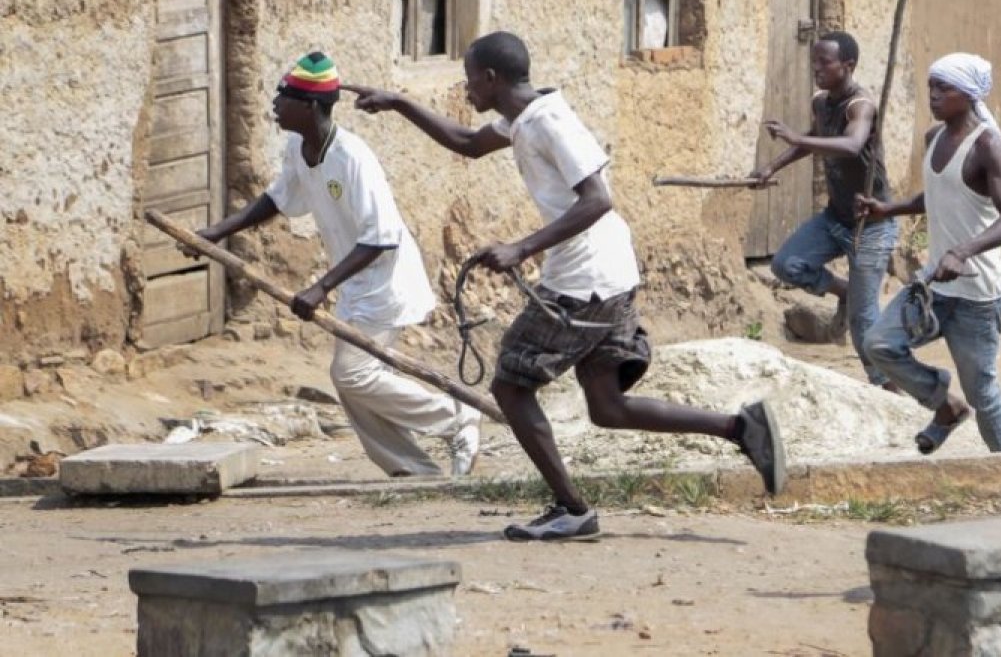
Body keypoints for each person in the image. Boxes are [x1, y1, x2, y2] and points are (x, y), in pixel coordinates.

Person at [346, 31, 787, 541]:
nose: (465, 90)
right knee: (607, 406)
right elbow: (466, 144)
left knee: (511, 387)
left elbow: (597, 198)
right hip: (605, 274)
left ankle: (571, 507)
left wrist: (522, 248)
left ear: (491, 78)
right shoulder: (521, 119)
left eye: (469, 80)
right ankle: (740, 428)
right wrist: (399, 102)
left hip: (587, 280)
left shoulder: (550, 121)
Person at [192, 52, 480, 478]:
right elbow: (277, 199)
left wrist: (320, 287)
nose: (274, 103)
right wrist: (218, 231)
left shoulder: (351, 157)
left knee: (353, 375)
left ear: (309, 106)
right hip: (356, 285)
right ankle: (413, 470)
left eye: (283, 96)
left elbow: (381, 239)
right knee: (354, 385)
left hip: (384, 283)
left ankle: (456, 419)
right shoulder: (298, 147)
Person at [856, 53, 1001, 453]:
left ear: (968, 95)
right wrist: (890, 208)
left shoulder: (987, 145)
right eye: (931, 86)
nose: (933, 95)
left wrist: (964, 251)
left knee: (982, 391)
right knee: (879, 344)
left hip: (977, 295)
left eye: (944, 88)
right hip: (935, 286)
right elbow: (938, 195)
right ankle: (945, 406)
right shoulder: (934, 138)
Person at [747, 31, 899, 390]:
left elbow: (851, 144)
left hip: (871, 223)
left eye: (824, 63)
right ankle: (844, 290)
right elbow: (813, 138)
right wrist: (773, 166)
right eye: (814, 61)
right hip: (836, 217)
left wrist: (797, 139)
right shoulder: (821, 102)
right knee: (787, 264)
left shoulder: (860, 106)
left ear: (848, 66)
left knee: (863, 319)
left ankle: (886, 385)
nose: (816, 69)